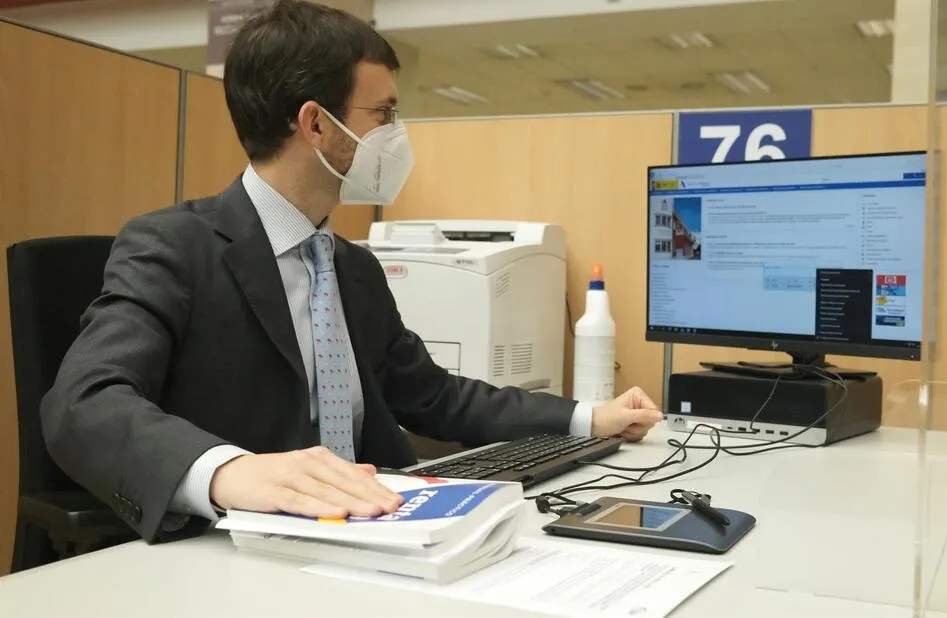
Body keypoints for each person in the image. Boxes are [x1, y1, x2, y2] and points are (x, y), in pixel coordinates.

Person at [39, 0, 663, 544]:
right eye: (383, 114)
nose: (396, 135)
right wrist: (225, 471)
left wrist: (587, 418)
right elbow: (83, 402)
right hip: (243, 547)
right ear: (315, 123)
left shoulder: (352, 266)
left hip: (373, 525)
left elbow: (434, 398)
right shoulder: (172, 247)